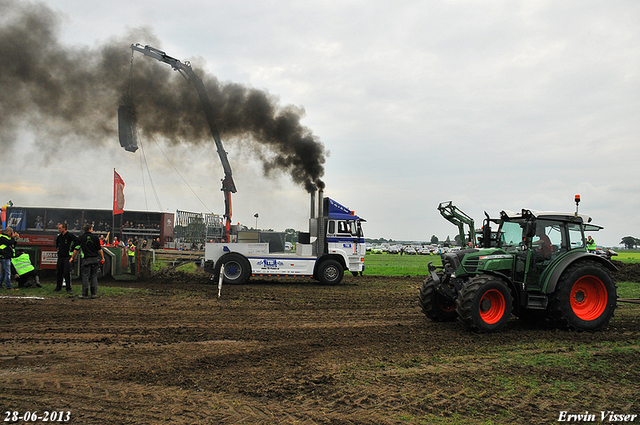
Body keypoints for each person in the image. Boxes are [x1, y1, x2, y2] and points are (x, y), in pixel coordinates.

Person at [72, 224, 105, 299]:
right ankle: (93, 294)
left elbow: (76, 248)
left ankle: (85, 294)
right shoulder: (95, 237)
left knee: (85, 277)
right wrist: (102, 258)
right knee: (94, 276)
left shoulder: (81, 237)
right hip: (95, 259)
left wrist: (72, 257)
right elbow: (99, 249)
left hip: (86, 260)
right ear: (90, 229)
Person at [55, 222, 78, 293]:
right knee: (59, 272)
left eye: (60, 228)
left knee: (66, 272)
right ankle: (58, 287)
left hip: (67, 257)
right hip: (60, 257)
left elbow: (77, 241)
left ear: (64, 228)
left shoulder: (70, 236)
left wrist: (72, 249)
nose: (58, 229)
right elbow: (57, 244)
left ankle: (68, 288)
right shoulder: (59, 237)